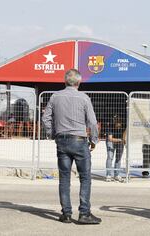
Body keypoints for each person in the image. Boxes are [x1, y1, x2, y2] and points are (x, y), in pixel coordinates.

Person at [42, 69, 101, 225]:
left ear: (65, 81)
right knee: (85, 177)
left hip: (62, 141)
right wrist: (94, 140)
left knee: (64, 178)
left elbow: (46, 117)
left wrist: (52, 133)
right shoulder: (84, 98)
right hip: (79, 141)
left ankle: (66, 214)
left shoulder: (55, 97)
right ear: (79, 82)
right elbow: (93, 122)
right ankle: (84, 213)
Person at [105, 115, 126, 182]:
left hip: (120, 140)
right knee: (110, 157)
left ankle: (117, 175)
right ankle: (108, 175)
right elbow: (110, 139)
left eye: (119, 122)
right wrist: (120, 140)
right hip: (111, 141)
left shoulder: (124, 126)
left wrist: (123, 140)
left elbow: (124, 137)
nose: (118, 124)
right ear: (114, 122)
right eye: (116, 122)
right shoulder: (110, 126)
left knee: (118, 158)